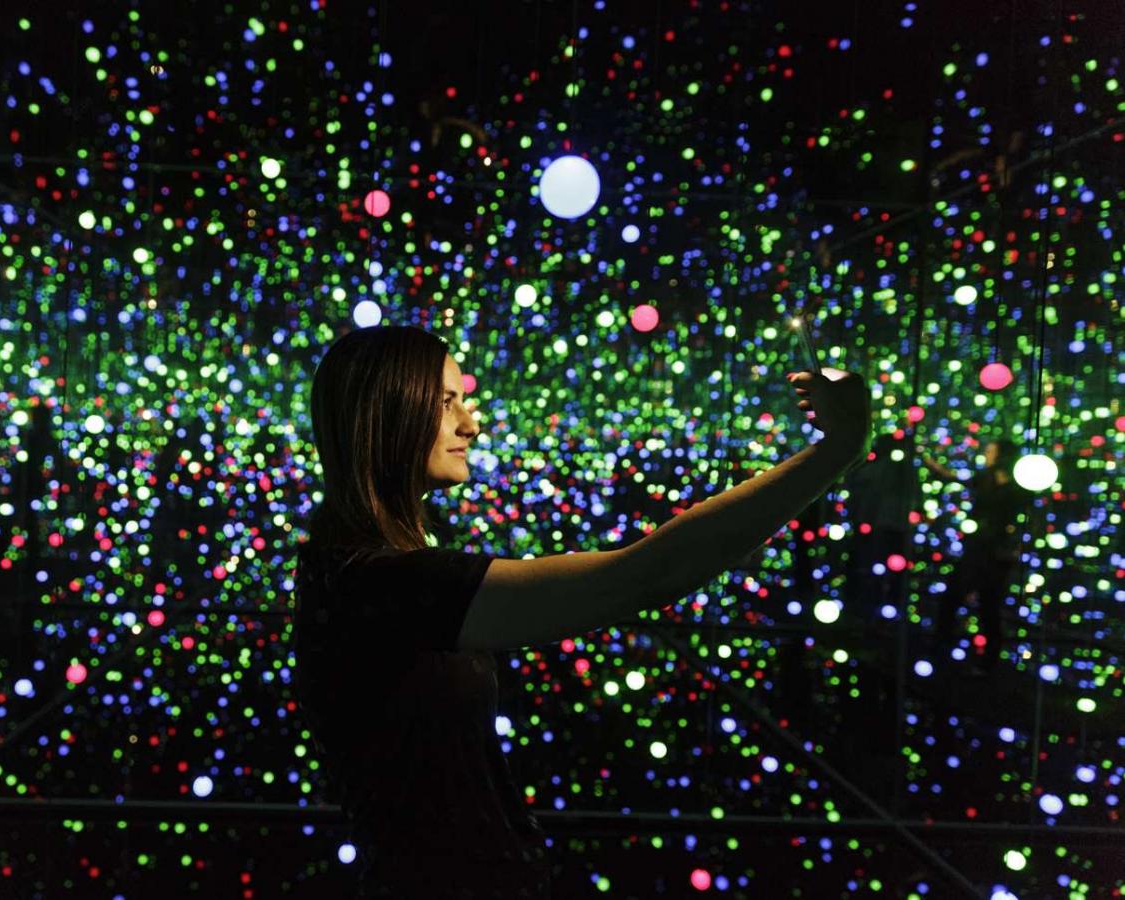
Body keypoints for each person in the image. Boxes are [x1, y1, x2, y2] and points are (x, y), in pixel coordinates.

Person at [291, 325, 873, 899]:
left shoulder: (356, 573)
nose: (471, 423)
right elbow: (644, 574)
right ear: (389, 413)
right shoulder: (376, 584)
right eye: (447, 402)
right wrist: (834, 452)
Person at [919, 436, 1030, 674]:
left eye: (991, 450)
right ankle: (942, 649)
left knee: (988, 605)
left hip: (998, 553)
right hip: (977, 548)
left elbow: (1026, 519)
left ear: (1001, 455)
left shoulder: (1020, 485)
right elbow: (953, 478)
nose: (987, 455)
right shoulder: (985, 478)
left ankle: (986, 661)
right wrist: (928, 461)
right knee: (955, 597)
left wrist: (1016, 545)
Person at [843, 431, 920, 621]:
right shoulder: (907, 470)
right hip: (897, 527)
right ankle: (890, 609)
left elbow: (854, 482)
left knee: (872, 567)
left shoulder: (879, 469)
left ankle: (869, 609)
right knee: (893, 572)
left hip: (878, 526)